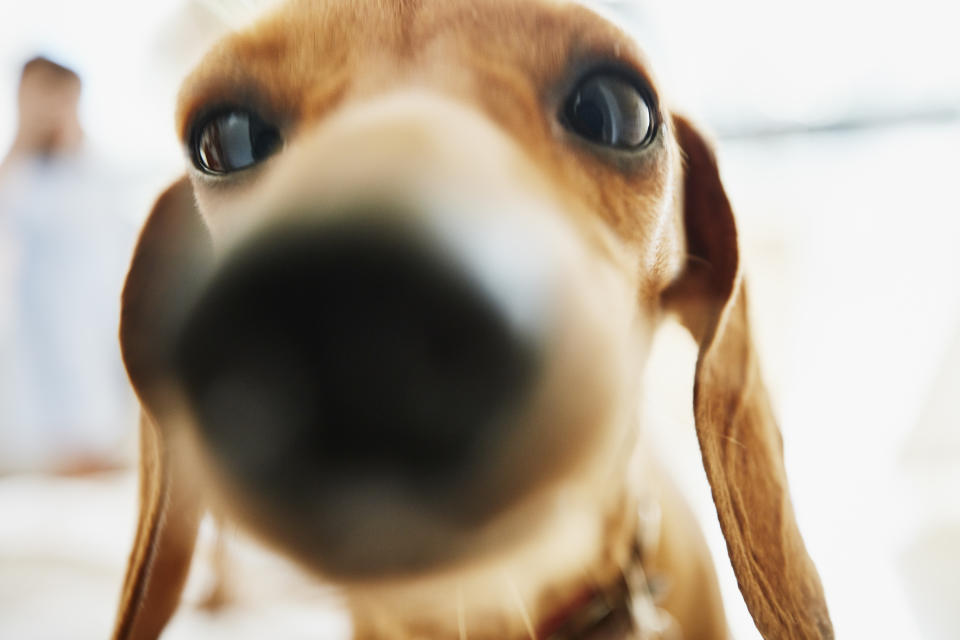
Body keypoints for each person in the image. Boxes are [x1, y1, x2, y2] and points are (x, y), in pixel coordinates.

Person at [0, 57, 136, 473]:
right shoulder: (20, 169)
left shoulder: (92, 169)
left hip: (92, 320)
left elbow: (111, 230)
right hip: (36, 327)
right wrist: (22, 141)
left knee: (93, 421)